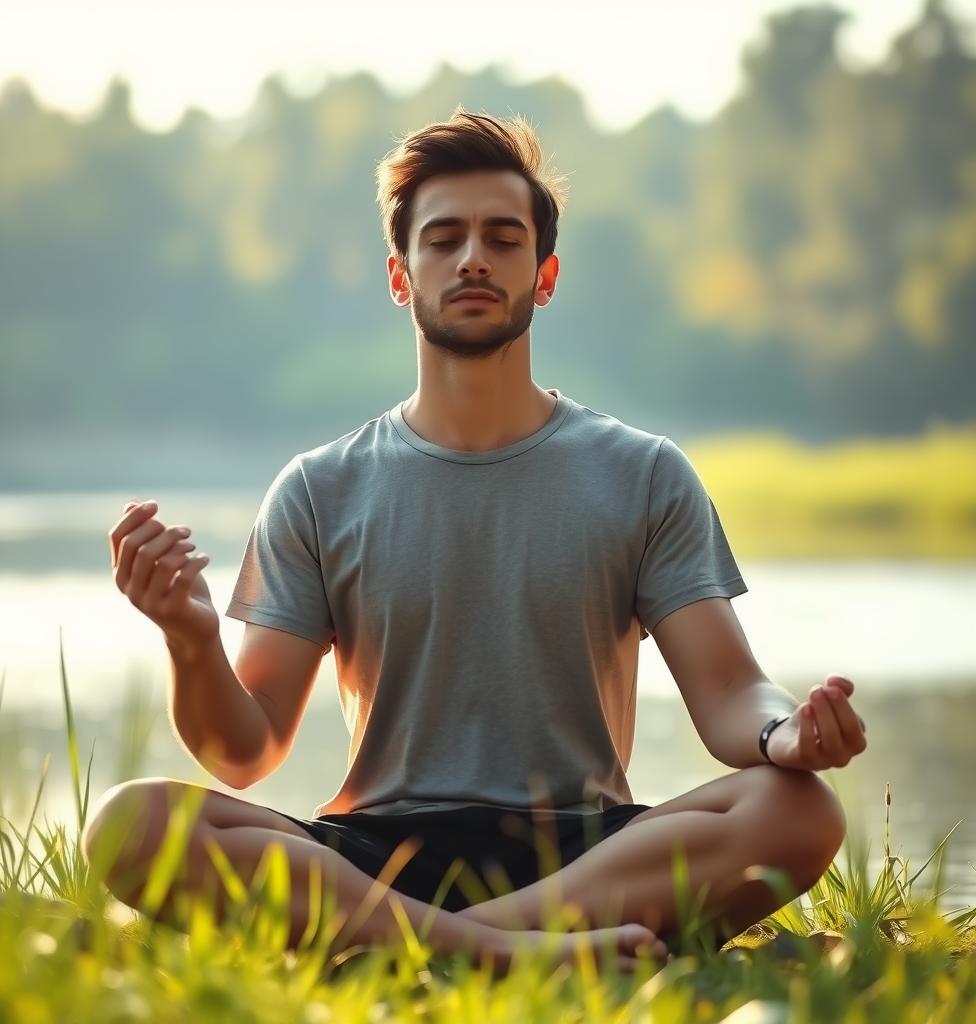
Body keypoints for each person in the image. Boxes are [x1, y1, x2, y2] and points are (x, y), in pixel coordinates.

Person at [84, 107, 867, 975]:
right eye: (444, 238)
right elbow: (244, 750)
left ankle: (437, 949)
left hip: (586, 853)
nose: (473, 259)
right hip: (377, 856)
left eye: (502, 237)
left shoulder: (642, 472)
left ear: (545, 274)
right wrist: (190, 641)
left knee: (800, 811)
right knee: (127, 821)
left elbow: (730, 696)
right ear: (399, 274)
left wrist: (783, 735)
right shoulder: (319, 487)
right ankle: (515, 955)